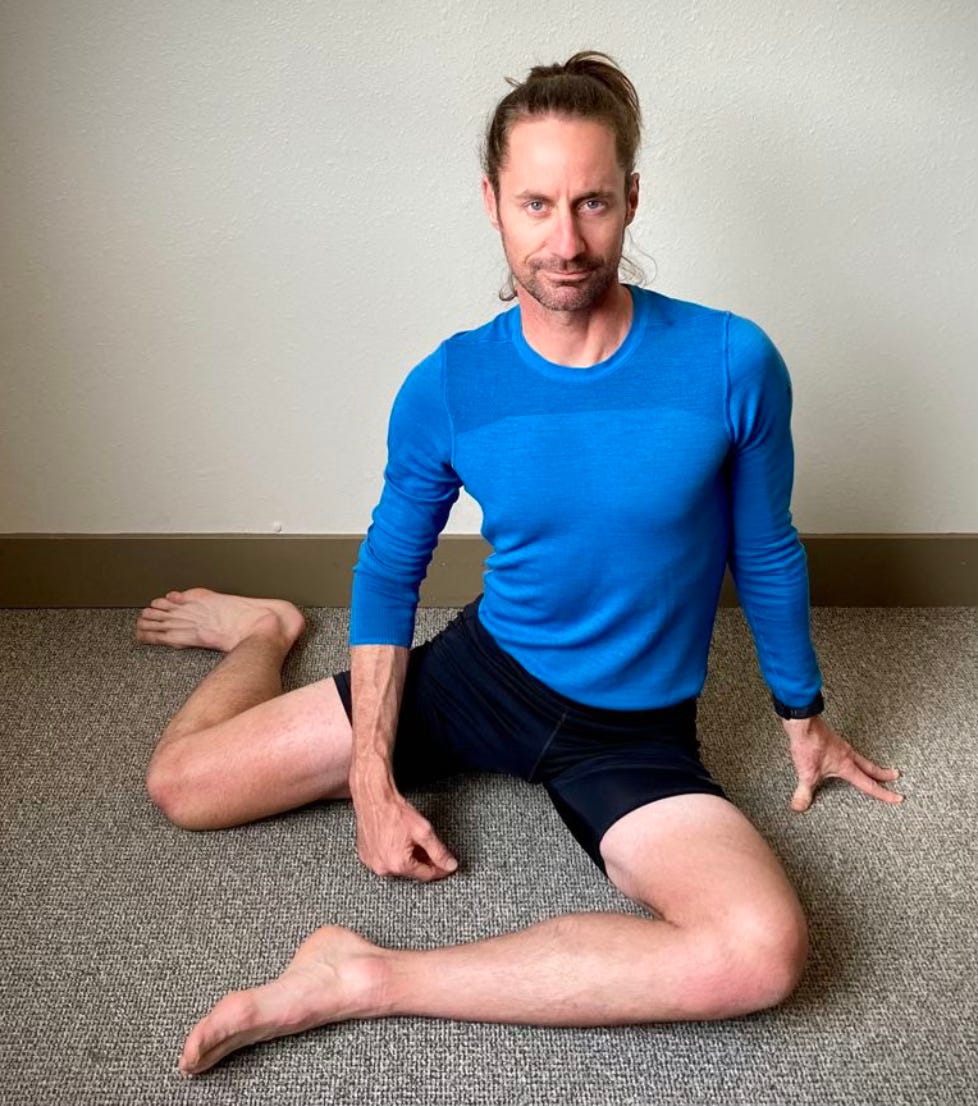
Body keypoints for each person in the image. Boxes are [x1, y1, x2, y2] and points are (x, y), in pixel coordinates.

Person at [136, 52, 903, 1078]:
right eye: (537, 203)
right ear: (493, 203)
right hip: (484, 675)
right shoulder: (450, 383)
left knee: (761, 950)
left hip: (631, 730)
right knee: (182, 783)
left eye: (592, 201)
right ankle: (264, 629)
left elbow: (763, 545)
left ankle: (359, 974)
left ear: (631, 197)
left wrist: (802, 711)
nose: (567, 239)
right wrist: (371, 769)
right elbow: (389, 572)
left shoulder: (730, 362)